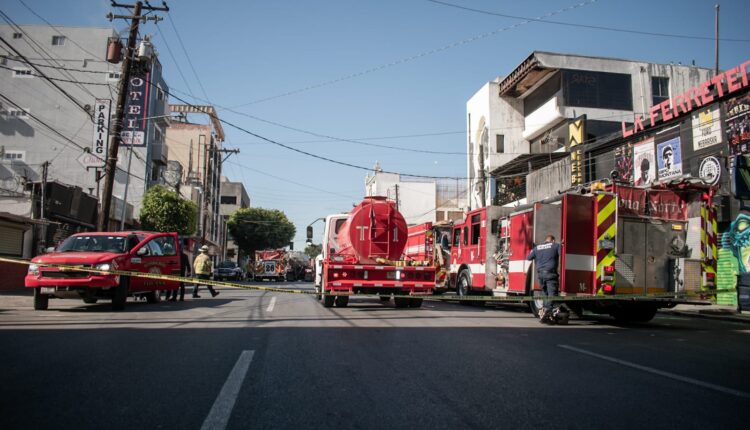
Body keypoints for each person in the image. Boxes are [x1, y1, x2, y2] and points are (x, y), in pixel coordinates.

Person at [527, 235, 562, 324]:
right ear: (553, 240)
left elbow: (529, 258)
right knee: (551, 294)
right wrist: (562, 245)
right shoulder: (555, 245)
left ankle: (545, 313)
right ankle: (548, 313)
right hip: (551, 274)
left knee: (545, 294)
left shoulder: (537, 247)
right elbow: (562, 254)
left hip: (541, 275)